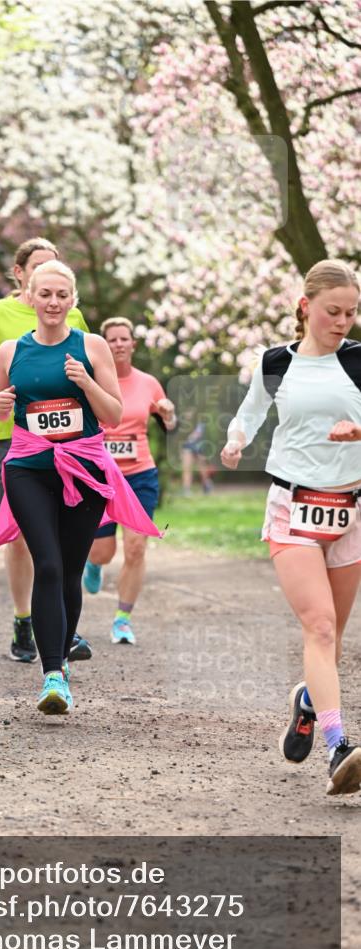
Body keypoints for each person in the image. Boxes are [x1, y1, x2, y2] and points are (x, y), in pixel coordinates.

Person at [0, 261, 161, 715]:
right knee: (45, 562)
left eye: (62, 294)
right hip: (27, 466)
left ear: (73, 299)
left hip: (84, 466)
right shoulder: (10, 350)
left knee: (67, 569)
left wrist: (84, 381)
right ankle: (54, 674)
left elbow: (113, 416)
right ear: (29, 294)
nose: (53, 302)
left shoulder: (92, 346)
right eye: (45, 293)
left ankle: (60, 660)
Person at [220, 259, 361, 796]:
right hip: (292, 506)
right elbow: (250, 413)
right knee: (320, 628)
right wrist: (236, 440)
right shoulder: (275, 361)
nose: (343, 321)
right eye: (333, 311)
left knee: (333, 641)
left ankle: (308, 701)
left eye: (351, 312)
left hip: (350, 511)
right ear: (306, 308)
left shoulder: (360, 362)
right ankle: (337, 746)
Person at [0, 237, 93, 664]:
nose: (50, 291)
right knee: (21, 537)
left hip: (71, 446)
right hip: (11, 438)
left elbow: (91, 368)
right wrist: (11, 372)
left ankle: (56, 625)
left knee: (60, 548)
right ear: (21, 277)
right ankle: (25, 618)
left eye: (57, 276)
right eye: (39, 273)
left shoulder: (72, 315)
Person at [82, 317, 177, 645]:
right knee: (102, 552)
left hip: (139, 475)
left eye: (125, 338)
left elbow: (168, 426)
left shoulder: (149, 383)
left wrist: (168, 414)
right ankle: (93, 565)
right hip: (100, 476)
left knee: (135, 548)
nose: (119, 344)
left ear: (133, 344)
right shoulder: (91, 379)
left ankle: (122, 619)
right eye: (112, 339)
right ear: (103, 345)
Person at [181, 416, 214, 495]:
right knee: (187, 469)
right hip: (187, 447)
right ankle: (186, 489)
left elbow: (199, 435)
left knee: (202, 470)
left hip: (199, 447)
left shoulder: (199, 423)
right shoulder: (182, 422)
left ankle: (206, 485)